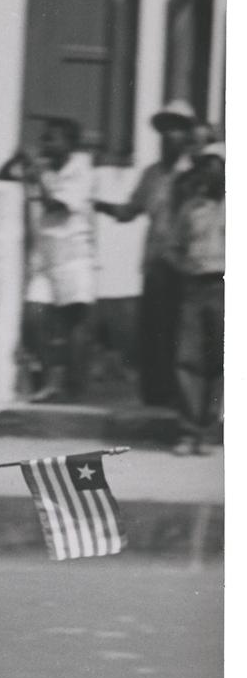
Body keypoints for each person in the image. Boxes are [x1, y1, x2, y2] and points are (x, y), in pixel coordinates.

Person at [94, 100, 196, 409]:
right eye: (165, 130)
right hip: (155, 263)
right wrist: (99, 204)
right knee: (154, 329)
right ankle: (155, 393)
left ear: (188, 135)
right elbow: (130, 210)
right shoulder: (152, 174)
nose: (169, 136)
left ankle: (183, 397)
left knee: (183, 333)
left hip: (188, 265)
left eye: (176, 129)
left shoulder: (197, 172)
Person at [0, 117, 97, 401]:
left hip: (73, 256)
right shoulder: (43, 168)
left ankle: (73, 386)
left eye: (51, 139)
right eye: (44, 139)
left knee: (73, 324)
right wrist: (17, 159)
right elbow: (4, 178)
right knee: (34, 317)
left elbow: (57, 205)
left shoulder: (81, 170)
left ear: (70, 144)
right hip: (45, 257)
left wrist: (37, 174)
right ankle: (51, 379)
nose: (45, 144)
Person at [171, 142, 224, 453]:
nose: (208, 170)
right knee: (189, 360)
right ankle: (188, 430)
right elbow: (173, 247)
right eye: (203, 164)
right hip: (194, 288)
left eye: (214, 163)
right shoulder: (191, 208)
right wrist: (187, 270)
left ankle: (208, 431)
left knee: (222, 362)